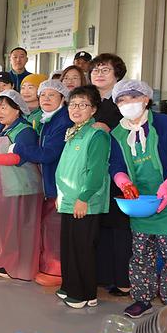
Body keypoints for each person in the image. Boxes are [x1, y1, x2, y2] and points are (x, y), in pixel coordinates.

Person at [108, 79, 167, 318]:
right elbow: (116, 165)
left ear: (146, 99)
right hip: (142, 205)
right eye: (121, 100)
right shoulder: (118, 133)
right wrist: (124, 182)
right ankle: (142, 299)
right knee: (141, 256)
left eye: (133, 97)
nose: (127, 103)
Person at [0, 89, 42, 280]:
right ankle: (1, 257)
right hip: (0, 187)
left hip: (20, 186)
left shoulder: (25, 131)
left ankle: (17, 264)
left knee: (18, 229)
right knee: (1, 226)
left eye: (5, 108)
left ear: (17, 110)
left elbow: (19, 157)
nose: (0, 112)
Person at [10, 80, 72, 287]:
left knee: (54, 227)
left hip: (59, 183)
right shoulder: (49, 119)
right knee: (48, 226)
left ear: (62, 98)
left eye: (51, 95)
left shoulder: (62, 121)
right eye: (43, 95)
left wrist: (19, 148)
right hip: (50, 182)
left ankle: (55, 271)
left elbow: (48, 154)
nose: (46, 98)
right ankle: (47, 265)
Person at [55, 85, 111, 308]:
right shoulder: (73, 132)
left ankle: (84, 293)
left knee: (82, 248)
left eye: (83, 105)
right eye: (73, 104)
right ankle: (70, 285)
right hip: (68, 199)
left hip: (84, 201)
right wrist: (61, 195)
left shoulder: (96, 135)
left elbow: (96, 171)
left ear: (93, 109)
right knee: (69, 245)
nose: (76, 109)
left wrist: (84, 197)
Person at [89, 53, 133, 297]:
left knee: (120, 227)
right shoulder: (92, 101)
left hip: (120, 170)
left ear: (117, 74)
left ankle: (124, 280)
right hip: (98, 172)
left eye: (105, 69)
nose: (99, 73)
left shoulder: (123, 103)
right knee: (102, 224)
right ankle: (104, 275)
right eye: (95, 69)